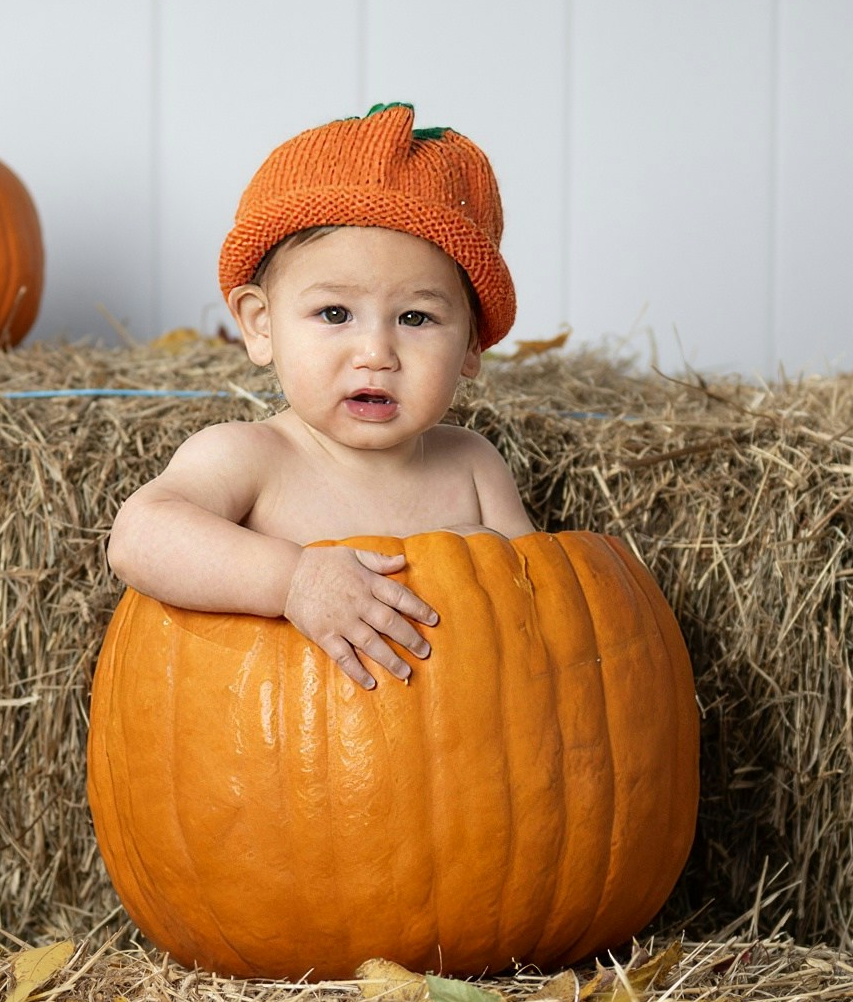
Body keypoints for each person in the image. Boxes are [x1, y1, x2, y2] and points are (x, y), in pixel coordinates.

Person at [105, 104, 533, 690]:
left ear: (471, 345)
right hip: (278, 759)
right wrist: (291, 581)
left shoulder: (473, 466)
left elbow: (540, 614)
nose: (376, 352)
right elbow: (140, 538)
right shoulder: (250, 457)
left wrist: (489, 560)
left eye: (416, 317)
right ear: (260, 325)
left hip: (456, 759)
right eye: (335, 313)